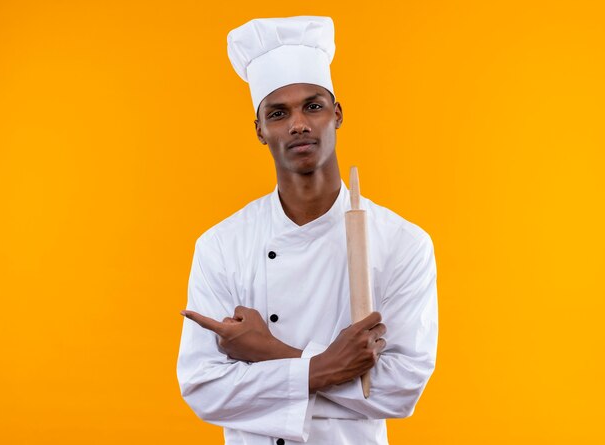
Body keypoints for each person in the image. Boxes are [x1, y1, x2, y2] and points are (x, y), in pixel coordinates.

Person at [177, 16, 438, 445]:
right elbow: (204, 390)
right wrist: (332, 368)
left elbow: (400, 390)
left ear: (337, 113)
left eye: (313, 106)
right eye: (278, 113)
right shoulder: (221, 245)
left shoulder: (402, 243)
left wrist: (265, 353)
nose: (299, 124)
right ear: (260, 130)